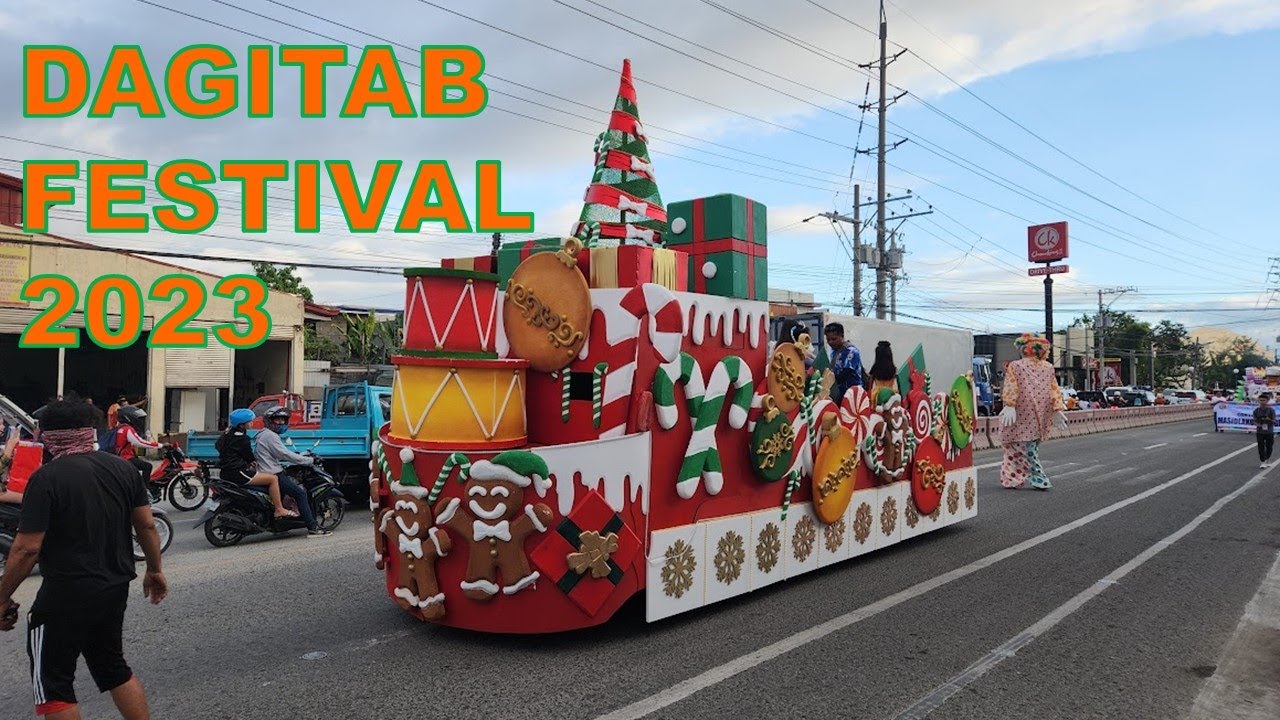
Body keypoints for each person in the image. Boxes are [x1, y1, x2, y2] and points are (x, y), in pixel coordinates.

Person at [0, 397, 168, 720]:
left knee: (53, 685)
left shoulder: (46, 478)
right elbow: (146, 524)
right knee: (114, 668)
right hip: (114, 589)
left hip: (65, 595)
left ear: (50, 436)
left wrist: (2, 595)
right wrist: (155, 570)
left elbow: (27, 548)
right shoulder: (124, 469)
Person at [999, 333, 1068, 491]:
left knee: (1018, 446)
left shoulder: (1016, 366)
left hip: (1021, 412)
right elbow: (1054, 390)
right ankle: (1011, 478)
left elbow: (1010, 386)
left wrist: (1009, 404)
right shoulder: (1048, 367)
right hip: (1039, 412)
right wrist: (1057, 408)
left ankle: (1036, 477)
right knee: (1024, 446)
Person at [254, 406, 331, 537]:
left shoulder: (262, 434)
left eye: (283, 420)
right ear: (269, 421)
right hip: (273, 473)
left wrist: (298, 455)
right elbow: (285, 455)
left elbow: (278, 454)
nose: (281, 423)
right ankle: (313, 528)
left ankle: (281, 523)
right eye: (277, 420)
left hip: (266, 470)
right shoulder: (270, 436)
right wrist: (309, 461)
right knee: (300, 494)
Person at [215, 408, 295, 519]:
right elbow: (248, 455)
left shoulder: (228, 434)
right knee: (273, 479)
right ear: (242, 425)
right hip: (238, 472)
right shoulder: (243, 438)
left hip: (226, 471)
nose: (252, 423)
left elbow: (218, 445)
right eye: (250, 421)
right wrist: (251, 461)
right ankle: (279, 509)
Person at [110, 406, 162, 486]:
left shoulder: (120, 428)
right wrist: (159, 445)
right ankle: (145, 490)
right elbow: (139, 442)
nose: (138, 420)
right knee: (147, 466)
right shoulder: (128, 429)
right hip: (126, 458)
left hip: (120, 457)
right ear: (129, 417)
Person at [823, 322, 864, 402]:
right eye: (828, 339)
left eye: (834, 339)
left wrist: (830, 379)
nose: (830, 342)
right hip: (839, 393)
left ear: (842, 336)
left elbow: (847, 372)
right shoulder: (834, 352)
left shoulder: (851, 351)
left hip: (852, 394)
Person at [1254, 393, 1275, 468]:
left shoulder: (1271, 410)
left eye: (1264, 400)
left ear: (1267, 401)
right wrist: (1257, 424)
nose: (1262, 402)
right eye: (1261, 400)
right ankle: (1262, 461)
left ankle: (1268, 459)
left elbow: (1274, 421)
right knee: (1261, 446)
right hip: (1260, 432)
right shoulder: (1256, 410)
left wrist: (1268, 419)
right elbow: (1254, 420)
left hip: (1269, 431)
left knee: (1269, 446)